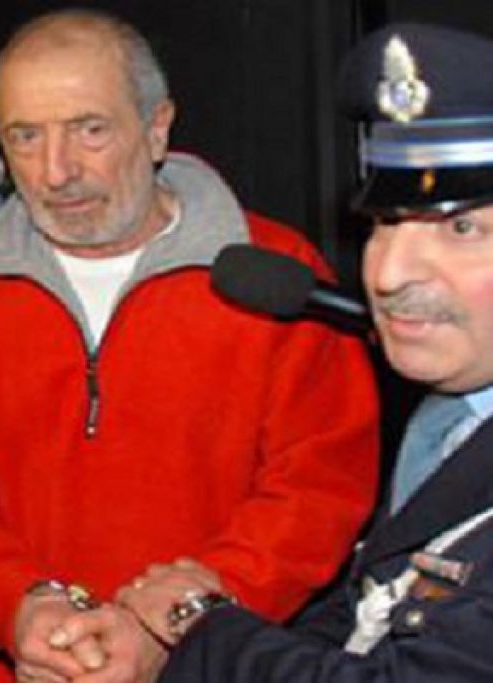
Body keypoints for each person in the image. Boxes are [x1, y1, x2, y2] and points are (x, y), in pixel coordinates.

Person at [0, 8, 380, 683]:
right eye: (26, 136)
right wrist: (16, 606)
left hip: (220, 662)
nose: (56, 171)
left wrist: (177, 624)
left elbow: (318, 489)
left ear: (157, 126)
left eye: (89, 129)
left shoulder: (274, 271)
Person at [50, 21, 493, 683]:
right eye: (384, 224)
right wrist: (198, 630)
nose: (389, 272)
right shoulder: (453, 415)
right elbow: (371, 616)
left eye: (461, 228)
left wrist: (198, 623)